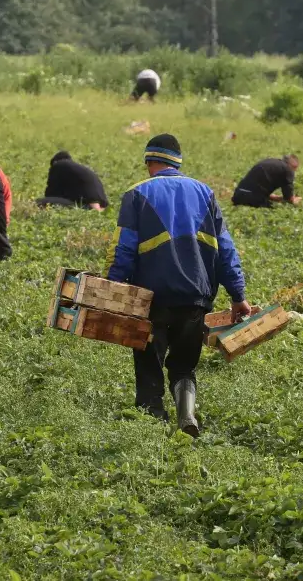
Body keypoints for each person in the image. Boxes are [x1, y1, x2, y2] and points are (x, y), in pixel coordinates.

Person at [105, 133, 251, 437]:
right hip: (195, 296)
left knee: (148, 358)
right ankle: (187, 415)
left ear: (149, 161)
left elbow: (125, 249)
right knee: (184, 365)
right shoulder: (205, 193)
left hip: (151, 297)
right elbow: (226, 249)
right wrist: (238, 295)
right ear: (177, 163)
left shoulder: (137, 194)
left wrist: (113, 289)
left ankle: (151, 423)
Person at [37, 150, 109, 210]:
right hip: (103, 207)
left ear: (55, 162)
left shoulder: (58, 165)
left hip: (88, 207)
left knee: (40, 202)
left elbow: (51, 193)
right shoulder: (78, 169)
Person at [232, 154, 301, 208]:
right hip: (253, 199)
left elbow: (255, 185)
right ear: (294, 166)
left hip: (238, 195)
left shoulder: (270, 161)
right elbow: (289, 199)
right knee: (276, 208)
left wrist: (275, 197)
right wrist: (295, 200)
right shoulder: (288, 170)